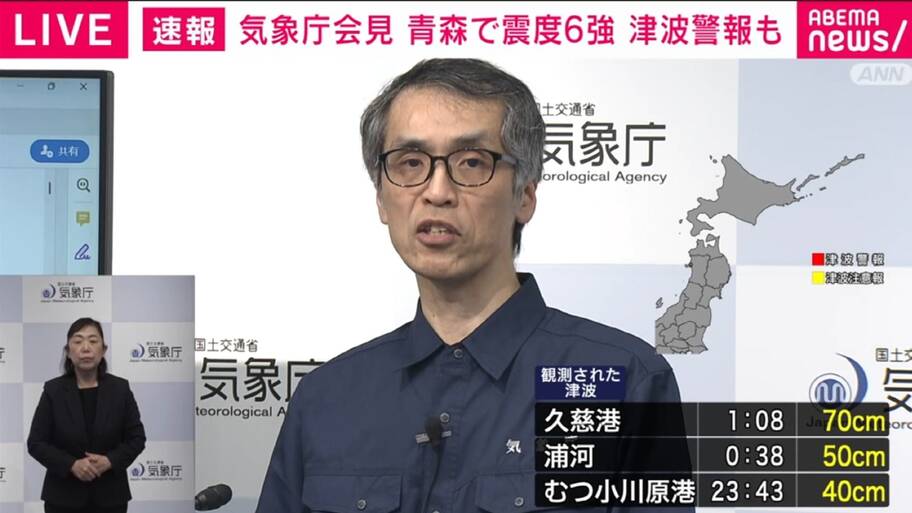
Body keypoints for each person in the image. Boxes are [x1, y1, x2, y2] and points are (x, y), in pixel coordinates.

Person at [256, 59, 688, 512]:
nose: (437, 191)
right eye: (410, 163)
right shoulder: (326, 398)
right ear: (381, 198)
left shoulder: (623, 381)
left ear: (525, 196)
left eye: (471, 162)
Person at [27, 317, 146, 513]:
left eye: (93, 340)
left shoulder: (120, 389)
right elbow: (36, 443)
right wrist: (71, 464)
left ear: (103, 350)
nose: (86, 348)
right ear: (68, 351)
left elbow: (137, 438)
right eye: (78, 341)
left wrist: (110, 461)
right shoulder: (53, 391)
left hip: (111, 498)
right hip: (63, 498)